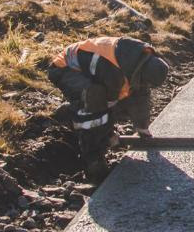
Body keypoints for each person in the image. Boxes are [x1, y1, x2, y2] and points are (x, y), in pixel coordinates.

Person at [48, 36, 169, 179]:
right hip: (65, 68)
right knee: (95, 98)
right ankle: (93, 159)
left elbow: (140, 96)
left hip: (96, 74)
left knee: (124, 96)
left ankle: (74, 113)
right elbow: (105, 106)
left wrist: (143, 128)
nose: (145, 85)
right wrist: (108, 135)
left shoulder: (140, 62)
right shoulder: (112, 69)